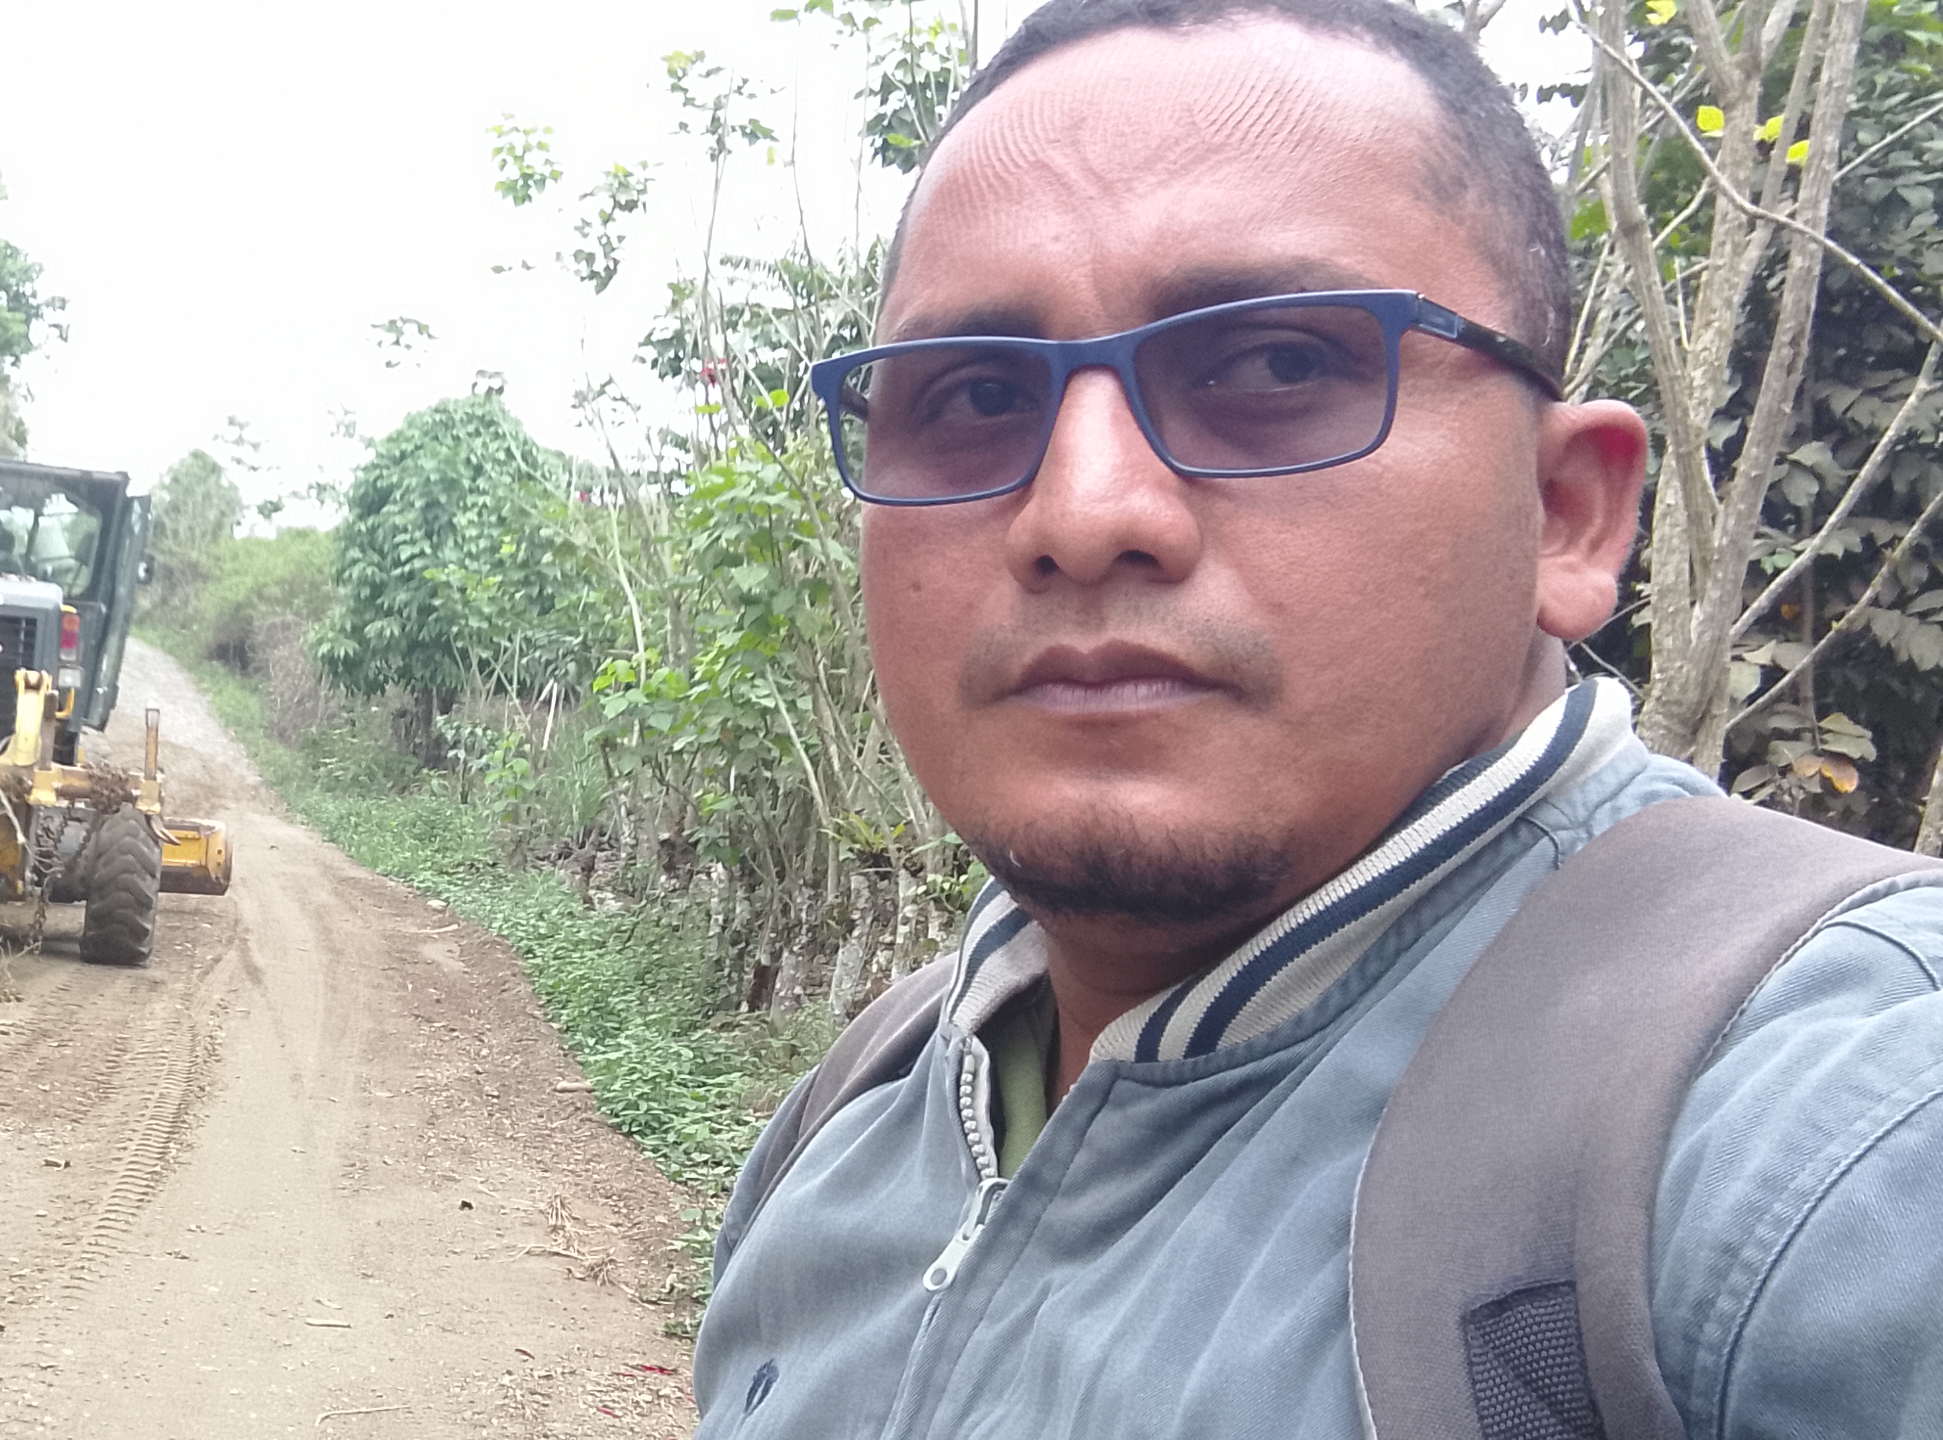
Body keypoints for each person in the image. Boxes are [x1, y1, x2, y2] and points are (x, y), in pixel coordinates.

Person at [692, 1, 1943, 1435]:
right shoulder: (862, 1110)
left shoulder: (1837, 1125)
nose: (1082, 514)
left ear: (1565, 514)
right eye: (973, 393)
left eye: (1276, 367)